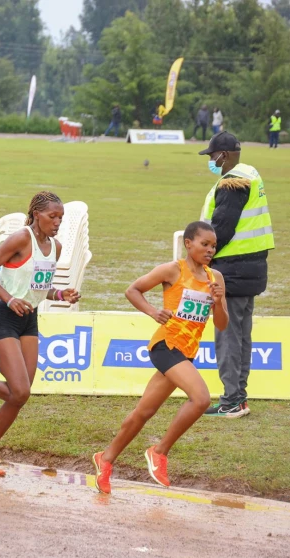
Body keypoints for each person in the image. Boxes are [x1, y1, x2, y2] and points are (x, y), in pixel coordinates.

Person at [93, 222, 228, 493]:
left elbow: (222, 325)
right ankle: (159, 451)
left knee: (144, 412)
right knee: (201, 398)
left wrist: (219, 301)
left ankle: (104, 459)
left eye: (213, 245)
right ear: (188, 244)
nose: (210, 250)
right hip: (166, 346)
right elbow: (133, 290)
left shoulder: (216, 279)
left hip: (186, 353)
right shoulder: (173, 270)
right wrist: (154, 312)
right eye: (205, 244)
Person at [0, 192, 80, 476]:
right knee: (19, 390)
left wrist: (61, 293)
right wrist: (8, 299)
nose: (57, 222)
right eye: (52, 216)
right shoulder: (22, 238)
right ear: (36, 214)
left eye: (61, 217)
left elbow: (38, 287)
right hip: (5, 317)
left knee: (20, 395)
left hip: (29, 319)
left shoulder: (55, 247)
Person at [198, 132, 273, 417]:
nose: (211, 161)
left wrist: (203, 256)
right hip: (252, 268)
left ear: (224, 155)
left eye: (212, 156)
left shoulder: (231, 183)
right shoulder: (250, 173)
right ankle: (238, 398)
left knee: (228, 336)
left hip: (232, 270)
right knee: (242, 335)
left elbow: (222, 229)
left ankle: (231, 400)